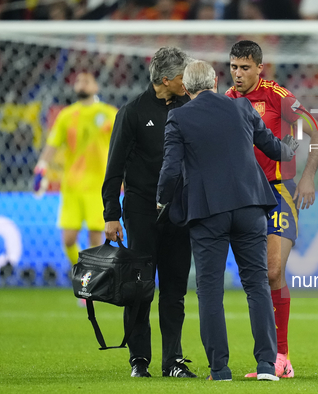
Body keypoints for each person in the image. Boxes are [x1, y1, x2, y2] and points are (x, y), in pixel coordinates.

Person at [156, 60, 298, 381]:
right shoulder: (243, 107)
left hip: (208, 211)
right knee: (257, 284)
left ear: (187, 88)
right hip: (251, 205)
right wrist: (289, 151)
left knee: (209, 290)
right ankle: (266, 366)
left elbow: (170, 168)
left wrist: (161, 199)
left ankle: (219, 369)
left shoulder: (178, 116)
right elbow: (272, 148)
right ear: (216, 82)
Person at [225, 40, 318, 378]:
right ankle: (274, 359)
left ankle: (280, 355)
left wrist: (308, 177)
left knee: (270, 271)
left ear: (259, 67)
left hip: (278, 190)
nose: (237, 74)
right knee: (263, 276)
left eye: (244, 68)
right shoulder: (227, 100)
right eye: (233, 67)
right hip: (243, 195)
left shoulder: (277, 96)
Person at [101, 47, 196, 379]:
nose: (187, 82)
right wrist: (111, 214)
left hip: (179, 213)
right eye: (183, 76)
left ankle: (173, 361)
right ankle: (139, 359)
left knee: (174, 289)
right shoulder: (133, 112)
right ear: (166, 79)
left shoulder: (189, 108)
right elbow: (113, 169)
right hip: (140, 212)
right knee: (140, 289)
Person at [34, 72, 116, 266]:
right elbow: (52, 145)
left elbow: (123, 144)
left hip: (99, 185)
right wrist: (41, 167)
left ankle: (91, 286)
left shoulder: (109, 114)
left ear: (96, 87)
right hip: (72, 184)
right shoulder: (66, 115)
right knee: (68, 239)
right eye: (78, 80)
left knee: (96, 238)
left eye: (87, 80)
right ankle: (82, 274)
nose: (81, 84)